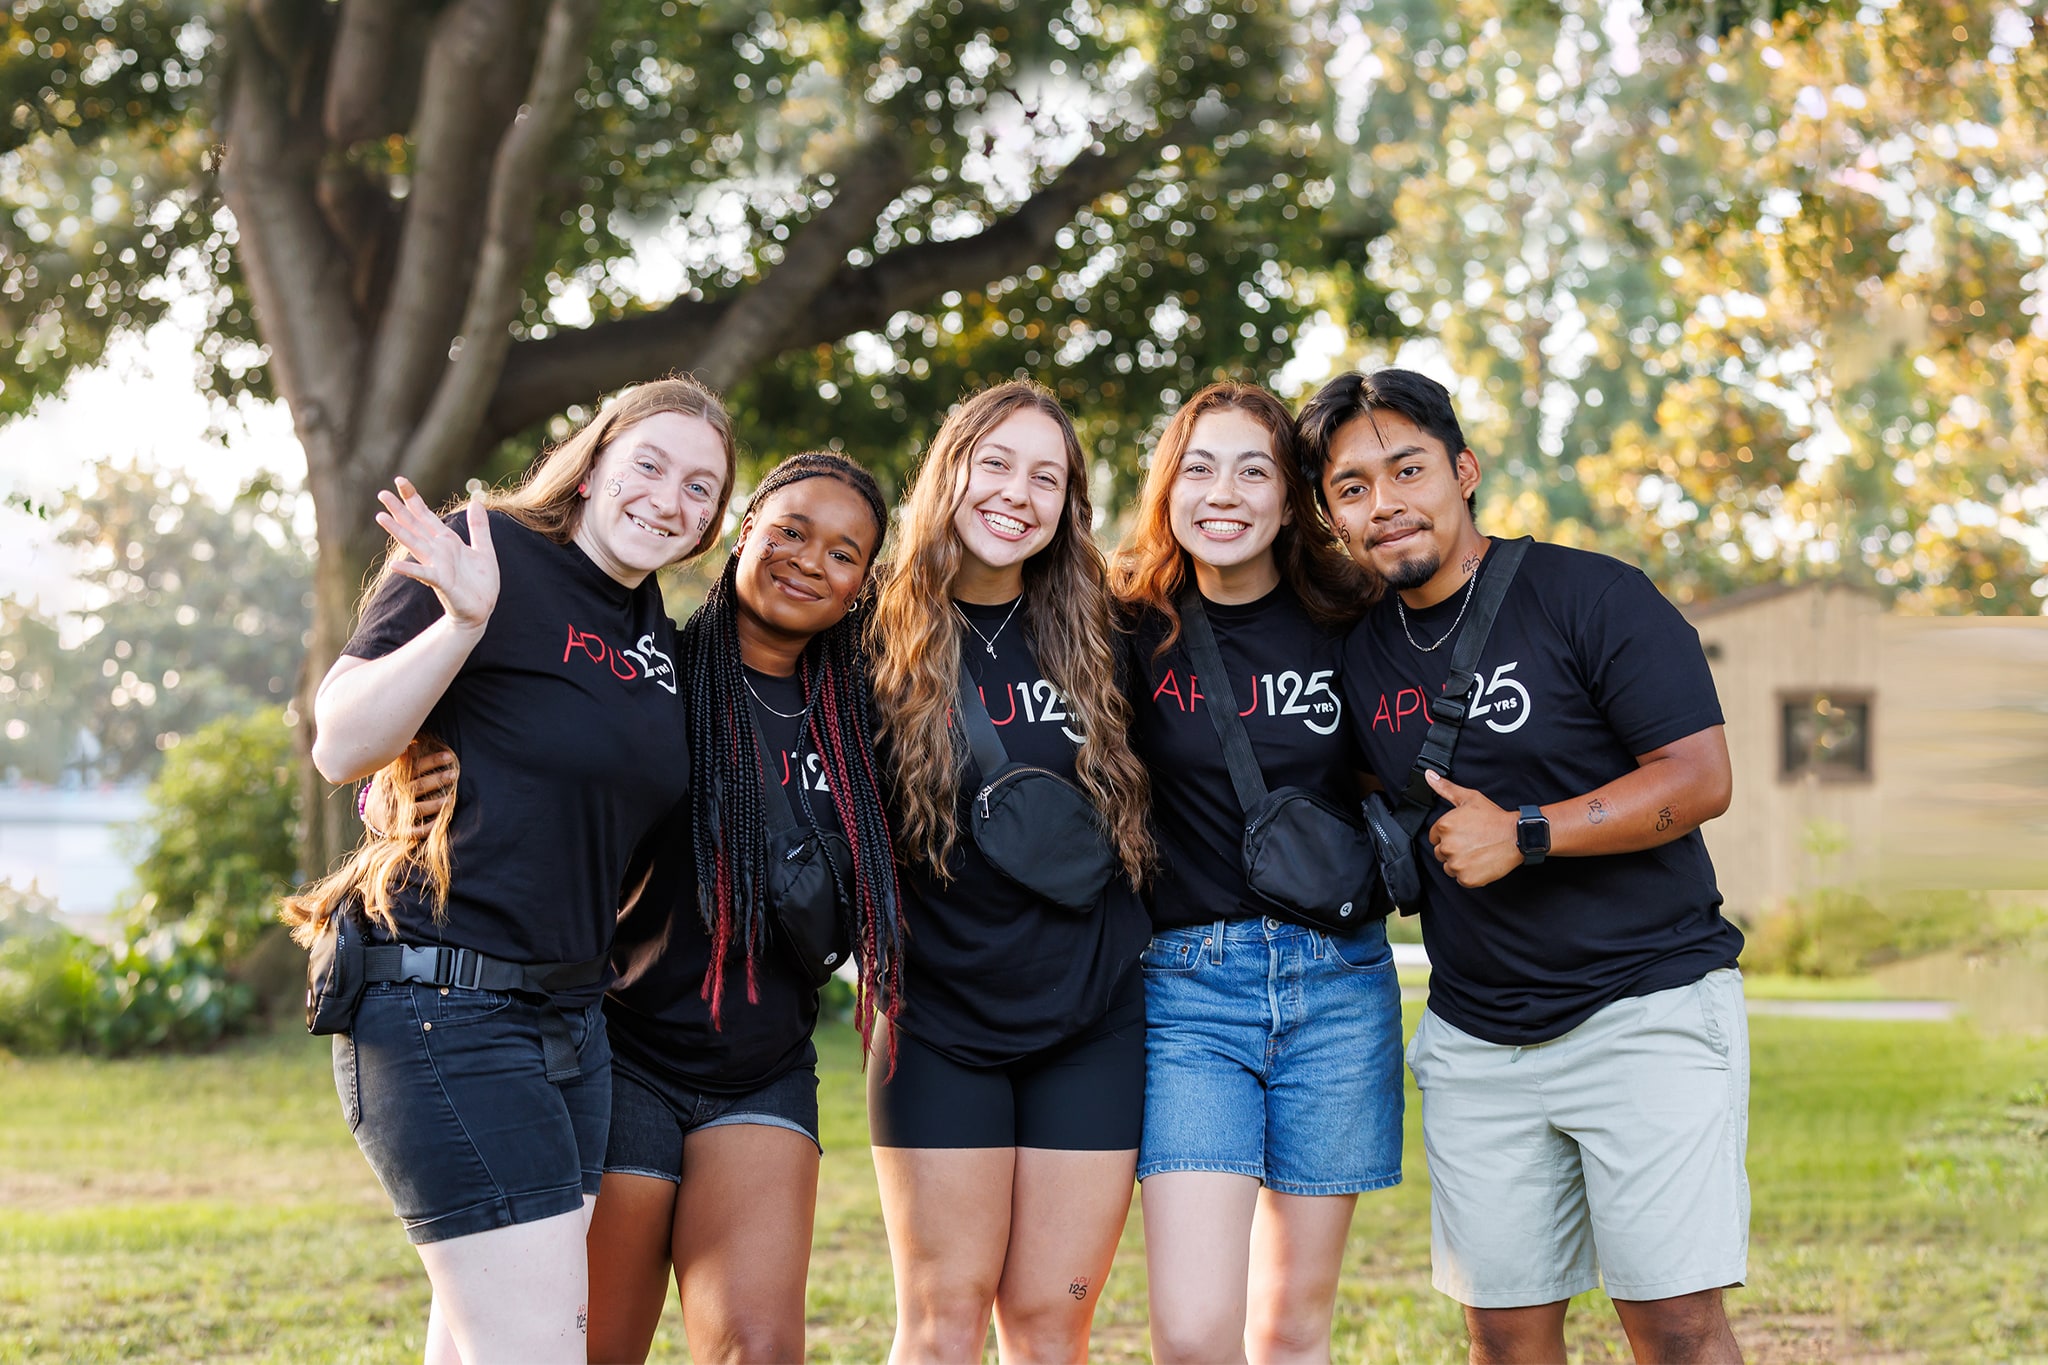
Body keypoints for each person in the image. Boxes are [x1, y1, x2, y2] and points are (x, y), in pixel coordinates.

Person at [1299, 367, 1747, 1365]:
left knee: (1672, 1326)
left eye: (1405, 468)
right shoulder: (1361, 653)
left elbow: (1698, 775)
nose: (1385, 503)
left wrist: (1530, 831)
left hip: (1645, 1008)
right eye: (1351, 489)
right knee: (1502, 1337)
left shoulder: (1590, 595)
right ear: (1331, 518)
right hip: (1474, 1039)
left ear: (1462, 471)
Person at [284, 376, 735, 1364]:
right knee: (534, 1344)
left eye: (700, 489)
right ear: (592, 463)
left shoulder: (652, 629)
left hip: (570, 1022)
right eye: (649, 465)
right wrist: (460, 625)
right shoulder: (481, 552)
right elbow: (341, 744)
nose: (669, 500)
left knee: (478, 1339)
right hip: (445, 1002)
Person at [585, 452, 904, 1363]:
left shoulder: (866, 715)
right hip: (625, 1053)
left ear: (861, 588)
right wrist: (399, 788)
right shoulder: (653, 678)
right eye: (792, 531)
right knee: (597, 1348)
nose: (810, 559)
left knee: (758, 1349)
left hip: (762, 1064)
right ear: (743, 533)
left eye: (845, 553)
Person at [863, 380, 1155, 1364]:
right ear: (950, 472)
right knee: (941, 1327)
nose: (1016, 494)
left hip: (1093, 1019)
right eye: (996, 463)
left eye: (1046, 476)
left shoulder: (1112, 630)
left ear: (1070, 503)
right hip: (938, 1024)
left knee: (1047, 1322)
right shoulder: (866, 635)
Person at [1109, 381, 1399, 1365]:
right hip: (1188, 993)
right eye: (1197, 466)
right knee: (1194, 1335)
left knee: (1288, 1333)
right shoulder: (1122, 627)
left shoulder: (1353, 620)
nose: (1221, 491)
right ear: (1166, 489)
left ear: (1289, 499)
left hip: (1339, 988)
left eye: (1252, 468)